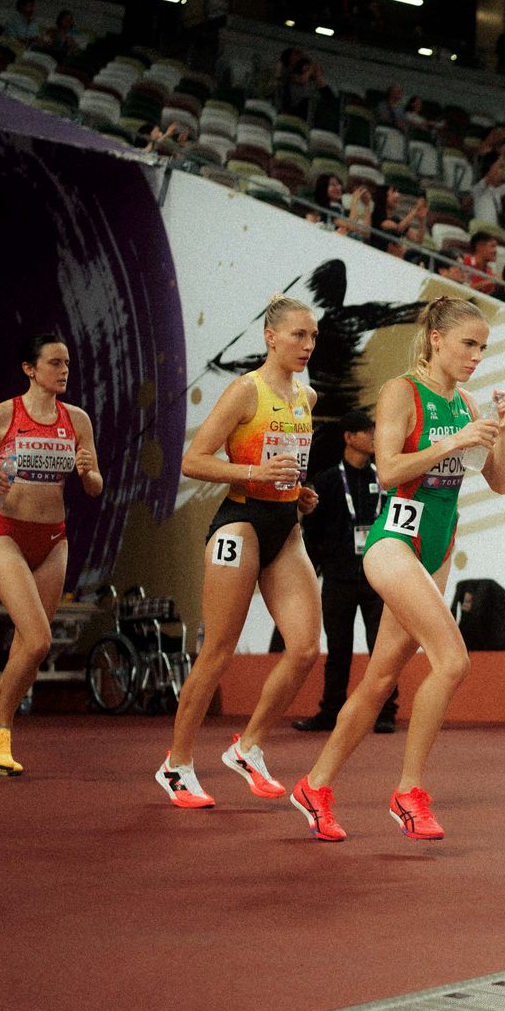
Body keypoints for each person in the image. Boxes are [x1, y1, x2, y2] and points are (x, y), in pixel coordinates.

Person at [291, 298, 505, 842]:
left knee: (380, 680)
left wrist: (500, 430)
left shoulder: (463, 402)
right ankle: (409, 791)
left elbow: (501, 482)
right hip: (393, 544)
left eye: (483, 347)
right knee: (453, 661)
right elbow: (388, 471)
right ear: (435, 338)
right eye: (468, 344)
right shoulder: (402, 392)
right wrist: (454, 441)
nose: (477, 356)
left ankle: (315, 786)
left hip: (434, 552)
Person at [156, 295, 323, 808]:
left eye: (313, 337)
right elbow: (193, 461)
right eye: (298, 335)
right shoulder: (244, 391)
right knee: (218, 651)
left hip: (284, 526)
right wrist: (256, 474)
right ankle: (176, 765)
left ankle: (248, 747)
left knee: (304, 649)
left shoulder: (306, 397)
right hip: (240, 523)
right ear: (271, 337)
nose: (307, 345)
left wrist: (299, 490)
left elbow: (286, 463)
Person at [0, 334, 103, 776]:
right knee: (39, 640)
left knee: (27, 649)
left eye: (67, 362)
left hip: (54, 541)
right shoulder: (2, 415)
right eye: (54, 363)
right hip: (7, 536)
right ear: (30, 369)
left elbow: (94, 487)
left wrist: (89, 472)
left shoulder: (77, 420)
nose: (64, 370)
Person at [291, 410, 400, 735]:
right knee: (338, 649)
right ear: (349, 437)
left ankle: (385, 712)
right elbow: (311, 530)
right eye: (367, 432)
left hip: (378, 579)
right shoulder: (326, 482)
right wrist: (324, 563)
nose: (373, 437)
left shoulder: (385, 478)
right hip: (338, 578)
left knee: (383, 649)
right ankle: (330, 712)